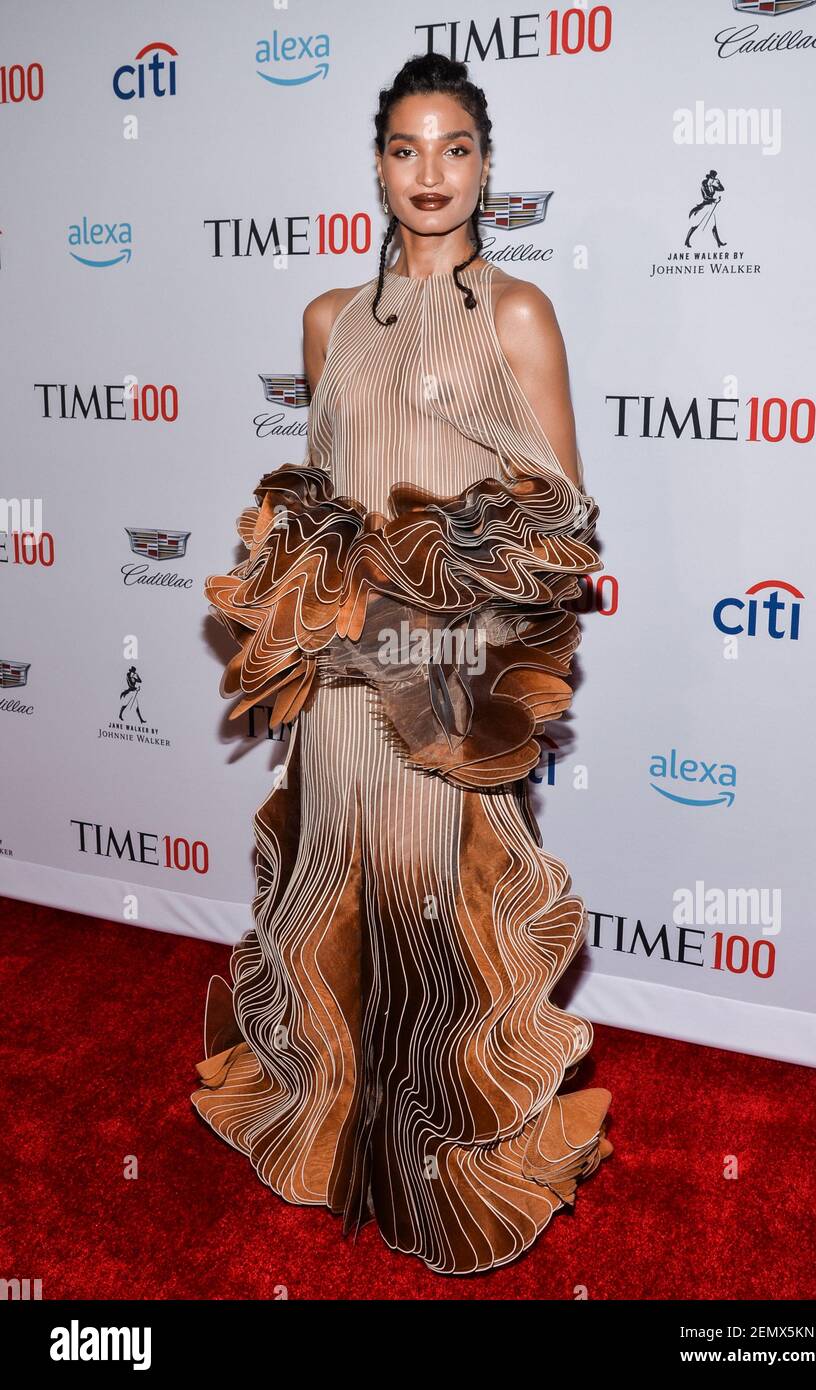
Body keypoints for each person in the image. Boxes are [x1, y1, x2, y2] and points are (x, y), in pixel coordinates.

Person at [191, 51, 613, 1277]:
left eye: (456, 148)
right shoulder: (328, 319)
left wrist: (436, 590)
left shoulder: (518, 313)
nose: (430, 174)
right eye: (405, 149)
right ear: (377, 167)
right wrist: (308, 575)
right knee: (336, 886)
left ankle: (447, 1163)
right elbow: (326, 495)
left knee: (439, 904)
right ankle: (332, 1138)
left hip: (442, 666)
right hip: (336, 667)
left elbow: (559, 519)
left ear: (487, 165)